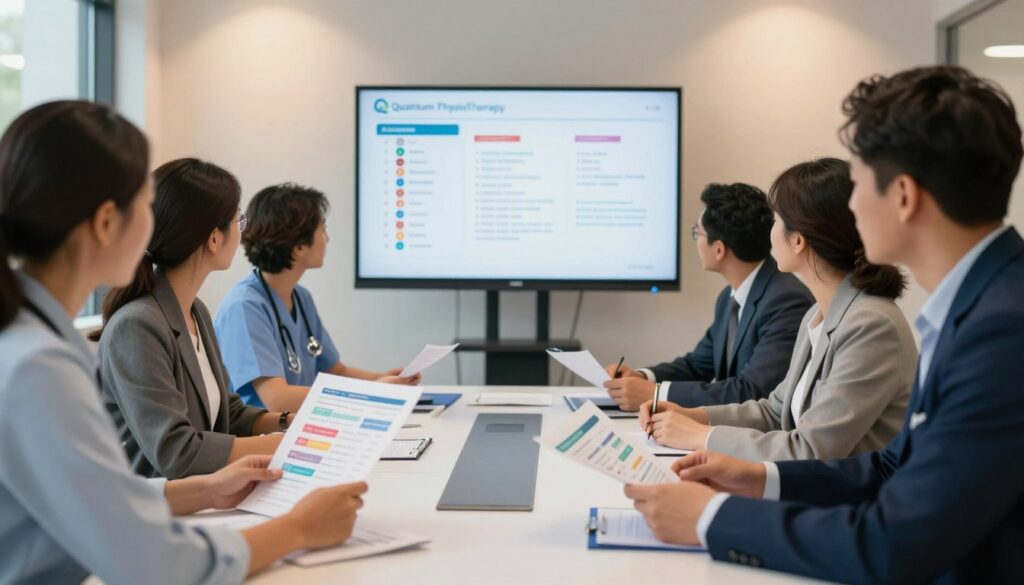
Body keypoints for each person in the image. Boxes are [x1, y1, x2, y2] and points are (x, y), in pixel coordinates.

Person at [624, 66, 1024, 584]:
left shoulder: (1001, 331)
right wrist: (755, 478)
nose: (852, 207)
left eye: (858, 183)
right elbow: (890, 467)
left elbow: (892, 543)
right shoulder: (979, 305)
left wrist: (712, 519)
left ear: (903, 195)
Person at [0, 100, 367, 584]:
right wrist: (298, 528)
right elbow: (152, 559)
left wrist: (207, 490)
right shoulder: (39, 367)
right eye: (144, 205)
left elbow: (103, 498)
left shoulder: (32, 344)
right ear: (107, 222)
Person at [638, 158, 916, 461]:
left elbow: (809, 449)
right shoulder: (817, 315)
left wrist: (699, 436)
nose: (769, 233)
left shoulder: (871, 325)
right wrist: (694, 416)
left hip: (852, 490)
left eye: (776, 220)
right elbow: (774, 412)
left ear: (797, 240)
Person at [95, 158, 295, 479]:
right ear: (214, 239)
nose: (241, 230)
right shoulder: (137, 326)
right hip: (159, 501)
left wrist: (289, 423)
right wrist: (285, 444)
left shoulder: (195, 310)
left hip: (208, 492)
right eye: (238, 220)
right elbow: (177, 451)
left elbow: (228, 412)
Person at [604, 183, 812, 411]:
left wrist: (656, 394)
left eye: (698, 233)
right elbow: (698, 364)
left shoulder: (786, 301)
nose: (696, 241)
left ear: (719, 249)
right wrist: (644, 377)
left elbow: (750, 392)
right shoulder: (729, 298)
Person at [214, 183, 418, 412]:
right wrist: (372, 392)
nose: (327, 239)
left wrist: (383, 380)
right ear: (298, 246)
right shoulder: (244, 308)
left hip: (295, 424)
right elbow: (277, 399)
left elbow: (335, 371)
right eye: (322, 229)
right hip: (261, 431)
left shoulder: (301, 298)